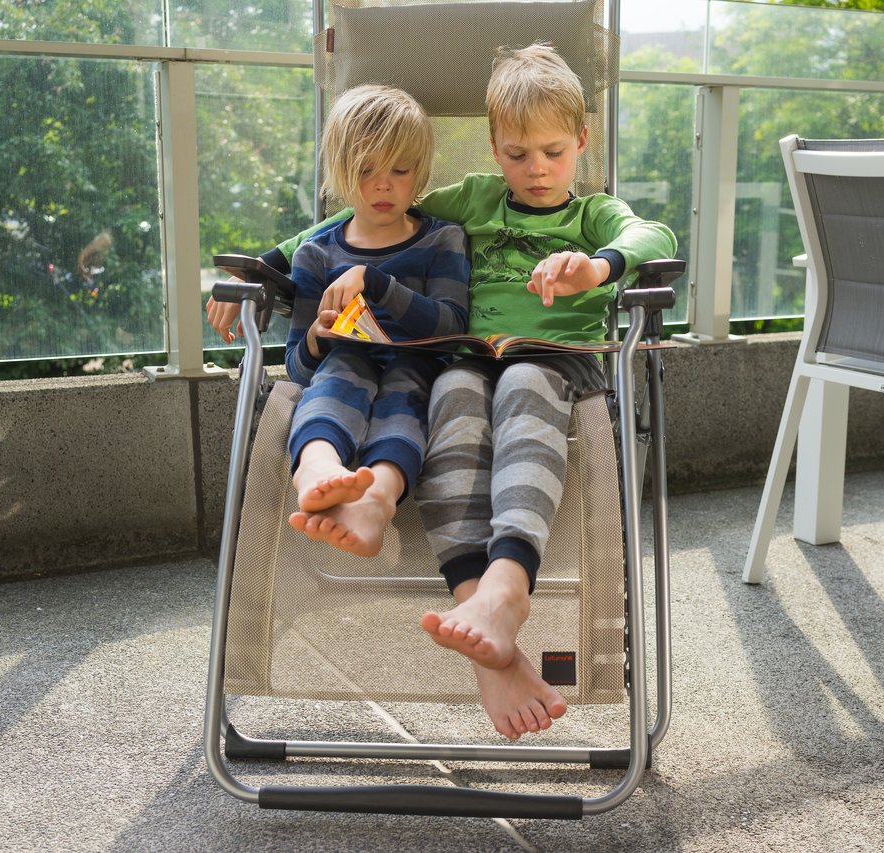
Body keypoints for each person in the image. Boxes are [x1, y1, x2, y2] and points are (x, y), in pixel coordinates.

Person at [208, 46, 675, 741]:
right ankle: (481, 618)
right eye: (517, 153)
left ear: (583, 141)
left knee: (518, 379)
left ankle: (507, 584)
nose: (537, 168)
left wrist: (595, 265)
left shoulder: (593, 216)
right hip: (464, 359)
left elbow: (654, 233)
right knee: (452, 392)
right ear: (494, 148)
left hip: (554, 365)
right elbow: (369, 222)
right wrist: (267, 264)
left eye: (553, 150)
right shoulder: (476, 198)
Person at [212, 83, 470, 559]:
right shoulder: (317, 253)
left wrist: (375, 282)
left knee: (405, 394)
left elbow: (452, 328)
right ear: (338, 172)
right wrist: (315, 337)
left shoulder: (442, 240)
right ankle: (316, 467)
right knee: (335, 377)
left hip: (418, 362)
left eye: (400, 169)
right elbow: (298, 369)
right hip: (345, 361)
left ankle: (376, 500)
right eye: (365, 169)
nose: (382, 184)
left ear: (422, 173)